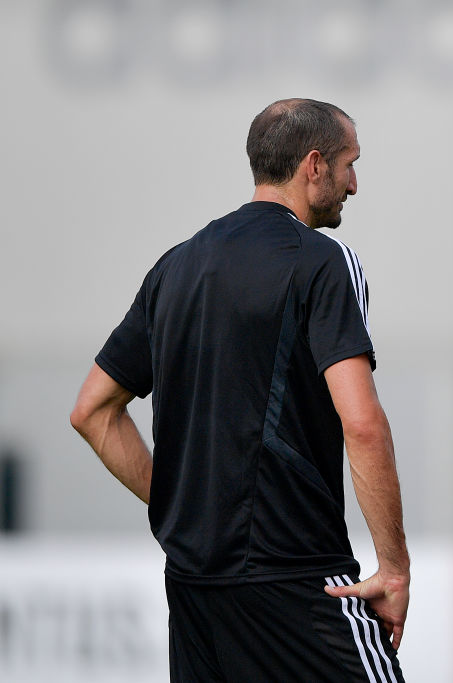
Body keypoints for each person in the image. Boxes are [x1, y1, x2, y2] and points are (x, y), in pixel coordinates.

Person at [70, 98, 409, 683]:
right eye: (350, 164)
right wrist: (394, 569)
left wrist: (183, 505)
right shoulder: (323, 262)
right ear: (313, 165)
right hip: (300, 582)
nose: (355, 184)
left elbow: (92, 412)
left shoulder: (176, 266)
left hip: (196, 588)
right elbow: (362, 424)